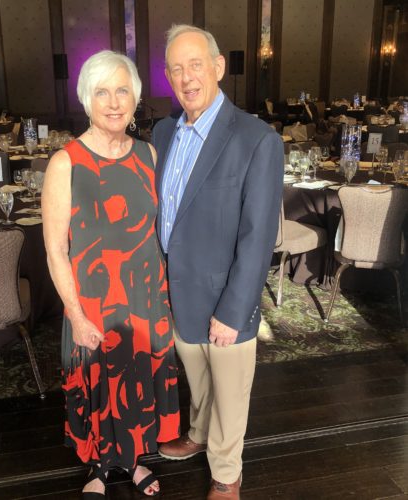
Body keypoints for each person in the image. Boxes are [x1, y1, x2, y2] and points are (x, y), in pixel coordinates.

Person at [152, 25, 283, 499]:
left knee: (230, 394)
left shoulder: (256, 139)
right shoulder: (163, 132)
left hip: (226, 296)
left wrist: (235, 310)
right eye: (175, 69)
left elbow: (259, 236)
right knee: (198, 380)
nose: (186, 78)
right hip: (177, 292)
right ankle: (199, 434)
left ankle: (227, 472)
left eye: (195, 65)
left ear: (218, 67)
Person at [42, 50, 180, 499]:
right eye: (102, 92)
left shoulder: (149, 155)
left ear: (136, 97)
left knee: (138, 384)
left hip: (144, 299)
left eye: (123, 90)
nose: (114, 102)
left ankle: (135, 460)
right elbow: (55, 251)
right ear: (87, 99)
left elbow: (163, 230)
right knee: (102, 386)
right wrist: (77, 316)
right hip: (94, 304)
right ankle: (99, 467)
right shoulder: (66, 162)